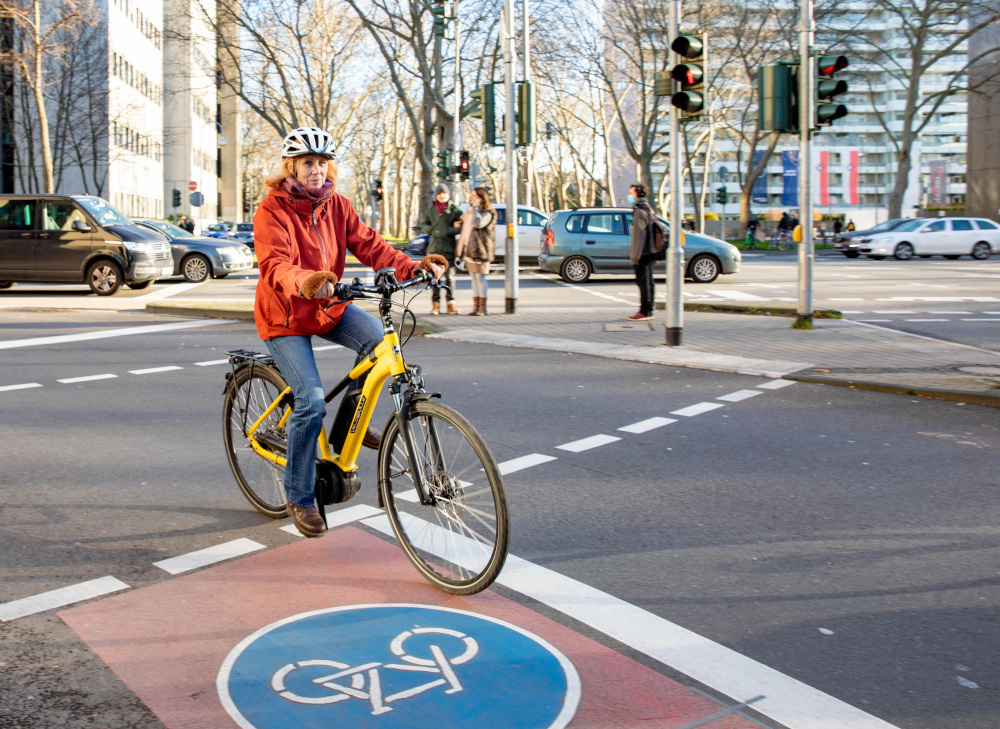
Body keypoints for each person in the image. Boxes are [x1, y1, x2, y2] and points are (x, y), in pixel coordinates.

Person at [254, 126, 446, 538]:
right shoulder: (272, 209)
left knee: (378, 342)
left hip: (329, 307)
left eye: (322, 162)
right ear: (291, 167)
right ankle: (300, 496)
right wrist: (306, 281)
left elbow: (373, 246)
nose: (316, 169)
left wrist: (415, 268)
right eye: (308, 162)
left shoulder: (337, 205)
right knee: (310, 402)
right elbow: (275, 265)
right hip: (285, 315)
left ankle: (348, 427)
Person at [420, 184, 462, 315]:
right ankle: (435, 305)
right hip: (435, 249)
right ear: (436, 195)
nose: (442, 195)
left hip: (449, 249)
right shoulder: (431, 210)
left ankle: (451, 304)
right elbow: (424, 225)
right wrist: (432, 230)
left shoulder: (455, 210)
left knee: (450, 279)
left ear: (448, 195)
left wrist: (448, 230)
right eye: (440, 193)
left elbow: (460, 226)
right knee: (435, 278)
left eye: (444, 193)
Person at [454, 187, 496, 316]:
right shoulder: (470, 210)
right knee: (473, 278)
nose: (472, 198)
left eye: (475, 196)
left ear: (482, 198)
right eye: (471, 195)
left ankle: (482, 307)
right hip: (470, 250)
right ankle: (476, 306)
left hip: (481, 250)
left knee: (480, 277)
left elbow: (478, 223)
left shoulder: (489, 212)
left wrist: (475, 208)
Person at [627, 183, 656, 322]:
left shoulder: (639, 211)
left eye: (631, 193)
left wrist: (635, 256)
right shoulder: (648, 207)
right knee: (649, 282)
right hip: (650, 250)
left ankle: (644, 311)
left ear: (638, 194)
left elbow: (639, 236)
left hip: (642, 253)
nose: (629, 196)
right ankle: (648, 310)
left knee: (643, 283)